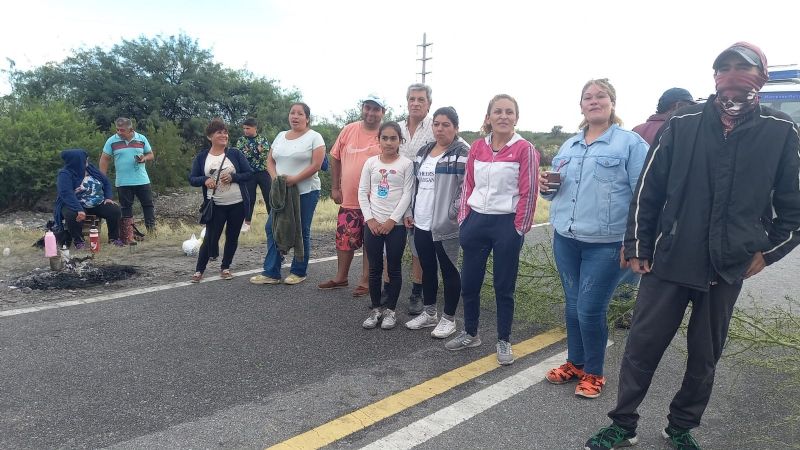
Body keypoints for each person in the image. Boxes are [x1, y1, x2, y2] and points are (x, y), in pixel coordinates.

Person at [586, 42, 800, 450]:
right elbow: (648, 190)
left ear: (762, 77)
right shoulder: (683, 123)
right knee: (641, 349)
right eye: (726, 68)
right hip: (670, 260)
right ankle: (623, 424)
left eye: (744, 68)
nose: (734, 75)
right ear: (714, 76)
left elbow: (794, 208)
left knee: (704, 358)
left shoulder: (780, 131)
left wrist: (767, 252)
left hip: (727, 267)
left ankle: (681, 427)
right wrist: (638, 244)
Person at [540, 78, 648, 399]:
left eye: (601, 96)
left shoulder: (630, 144)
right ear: (581, 106)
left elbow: (644, 196)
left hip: (608, 244)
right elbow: (557, 192)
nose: (594, 101)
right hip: (567, 240)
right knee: (573, 307)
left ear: (612, 103)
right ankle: (575, 362)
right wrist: (548, 188)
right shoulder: (569, 146)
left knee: (589, 309)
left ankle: (595, 373)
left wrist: (635, 243)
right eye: (588, 97)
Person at [445, 94, 539, 366]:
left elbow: (529, 192)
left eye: (509, 112)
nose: (503, 116)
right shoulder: (477, 147)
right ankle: (470, 333)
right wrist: (464, 219)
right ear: (488, 117)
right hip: (476, 221)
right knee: (470, 283)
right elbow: (469, 186)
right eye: (498, 111)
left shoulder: (525, 149)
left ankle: (504, 339)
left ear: (516, 118)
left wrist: (518, 229)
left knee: (503, 286)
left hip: (506, 224)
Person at [403, 107, 468, 339]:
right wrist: (410, 210)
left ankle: (448, 319)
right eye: (437, 124)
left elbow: (466, 188)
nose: (440, 129)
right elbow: (415, 186)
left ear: (455, 128)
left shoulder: (462, 152)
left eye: (446, 125)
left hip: (445, 224)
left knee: (449, 271)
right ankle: (430, 313)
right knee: (428, 268)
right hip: (421, 222)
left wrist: (453, 213)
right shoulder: (423, 152)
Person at [249, 103, 325, 285]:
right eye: (292, 113)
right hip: (281, 190)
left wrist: (295, 179)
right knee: (272, 227)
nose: (295, 116)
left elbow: (316, 165)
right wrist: (276, 179)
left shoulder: (315, 137)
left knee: (300, 230)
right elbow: (270, 160)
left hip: (306, 190)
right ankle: (271, 272)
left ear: (307, 118)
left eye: (300, 114)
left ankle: (298, 271)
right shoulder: (280, 136)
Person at [318, 95, 385, 297]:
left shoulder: (385, 133)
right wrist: (335, 187)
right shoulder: (349, 129)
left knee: (370, 241)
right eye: (367, 107)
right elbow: (335, 156)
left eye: (376, 109)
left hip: (376, 201)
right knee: (345, 238)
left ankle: (365, 281)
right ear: (362, 108)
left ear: (383, 112)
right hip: (349, 197)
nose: (371, 113)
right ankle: (341, 277)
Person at [359, 121, 415, 329]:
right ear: (379, 140)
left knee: (394, 268)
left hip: (396, 226)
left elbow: (407, 194)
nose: (389, 142)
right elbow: (363, 191)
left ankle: (390, 311)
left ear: (400, 141)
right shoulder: (371, 163)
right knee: (374, 269)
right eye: (385, 138)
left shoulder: (406, 164)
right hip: (373, 224)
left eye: (394, 138)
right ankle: (376, 310)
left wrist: (392, 220)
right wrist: (370, 219)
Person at [188, 119, 253, 283]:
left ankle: (226, 267)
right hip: (215, 205)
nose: (224, 135)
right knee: (210, 238)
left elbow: (249, 174)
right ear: (210, 136)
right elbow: (192, 178)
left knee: (232, 237)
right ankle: (199, 271)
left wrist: (233, 177)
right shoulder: (202, 157)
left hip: (237, 204)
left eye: (225, 132)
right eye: (219, 132)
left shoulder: (235, 154)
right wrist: (204, 180)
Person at [396, 83, 436, 314]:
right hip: (395, 194)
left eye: (421, 99)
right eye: (412, 99)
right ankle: (387, 289)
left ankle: (416, 293)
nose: (416, 103)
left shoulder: (436, 126)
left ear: (429, 104)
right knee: (388, 247)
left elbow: (462, 149)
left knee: (417, 248)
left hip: (422, 196)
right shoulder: (397, 127)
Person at [54, 149, 123, 249]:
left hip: (96, 202)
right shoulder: (65, 174)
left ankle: (114, 238)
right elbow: (66, 194)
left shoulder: (90, 169)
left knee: (114, 210)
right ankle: (79, 241)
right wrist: (79, 209)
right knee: (72, 214)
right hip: (76, 203)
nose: (87, 160)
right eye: (85, 158)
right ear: (77, 160)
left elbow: (106, 182)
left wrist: (108, 197)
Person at [99, 117, 156, 236]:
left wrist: (144, 158)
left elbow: (151, 154)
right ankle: (128, 233)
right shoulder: (111, 141)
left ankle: (151, 231)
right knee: (126, 208)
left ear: (131, 130)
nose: (119, 132)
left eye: (122, 130)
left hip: (142, 180)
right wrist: (102, 179)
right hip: (123, 181)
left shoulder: (141, 139)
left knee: (148, 205)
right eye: (117, 129)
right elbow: (104, 159)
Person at [234, 117, 271, 233]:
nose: (245, 130)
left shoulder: (263, 139)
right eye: (244, 128)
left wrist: (251, 152)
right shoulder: (241, 140)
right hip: (248, 173)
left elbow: (265, 154)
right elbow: (241, 155)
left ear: (255, 128)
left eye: (248, 128)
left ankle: (273, 220)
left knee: (269, 196)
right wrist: (256, 151)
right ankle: (247, 223)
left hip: (263, 172)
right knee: (249, 198)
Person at [632, 88, 697, 146]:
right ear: (677, 106)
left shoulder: (636, 130)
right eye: (690, 105)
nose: (692, 109)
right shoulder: (677, 130)